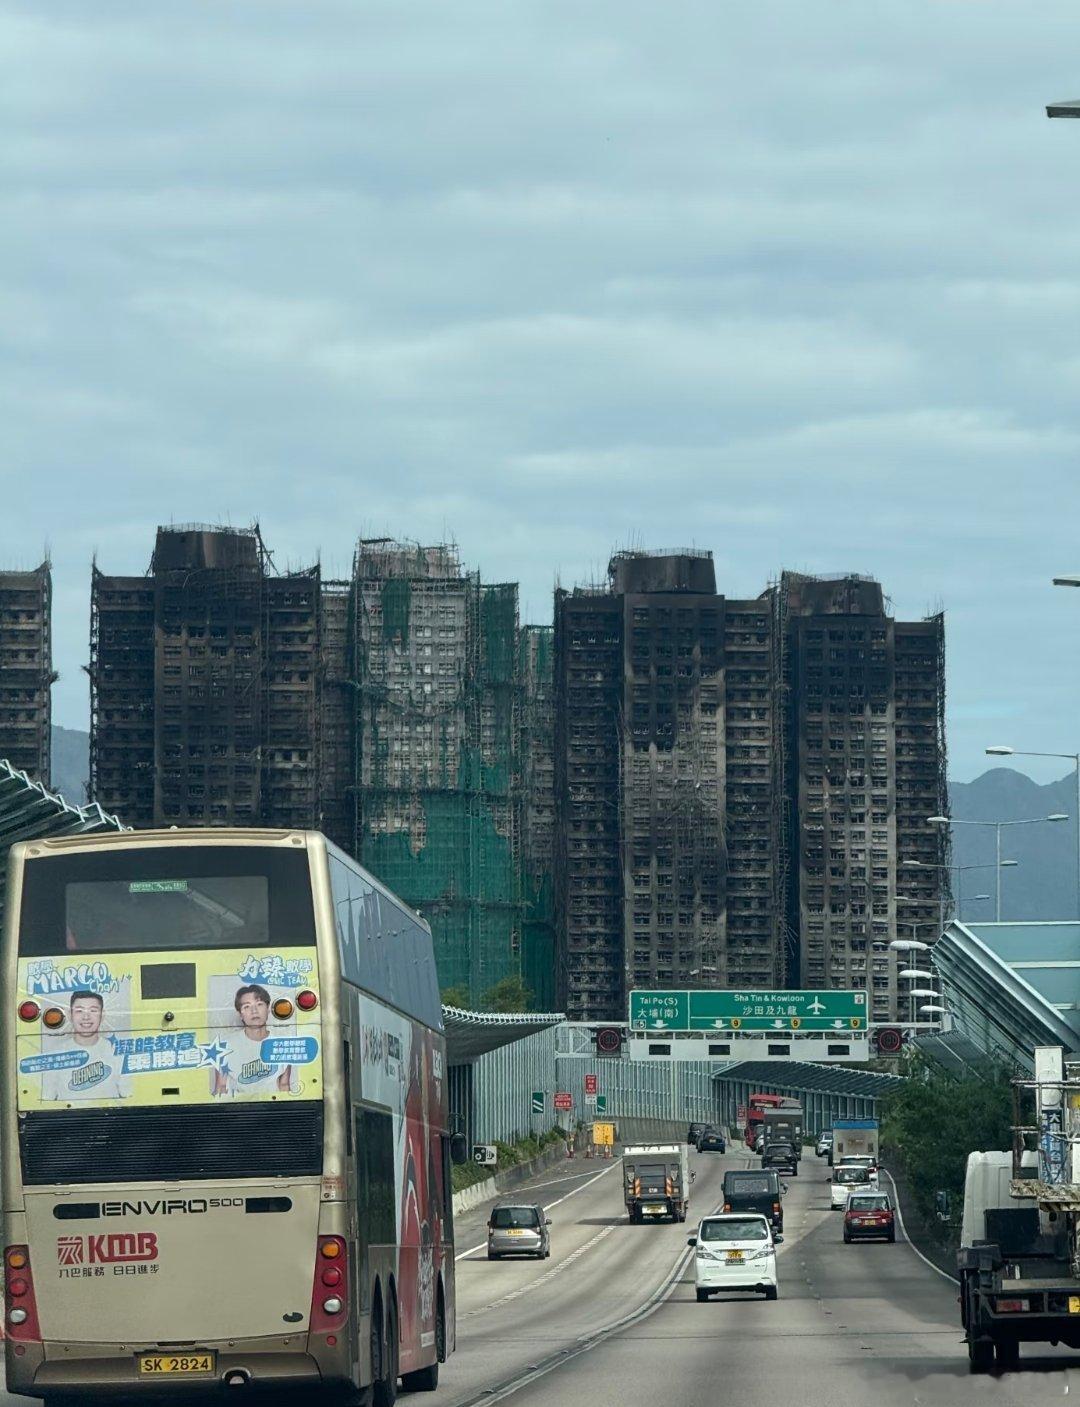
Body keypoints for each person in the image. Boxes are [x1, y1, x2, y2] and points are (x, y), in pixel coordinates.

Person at [41, 991, 128, 1101]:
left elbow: (128, 1094)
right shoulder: (56, 1055)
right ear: (70, 1015)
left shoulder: (117, 1051)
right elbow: (46, 1098)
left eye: (93, 1010)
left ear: (102, 1015)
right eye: (79, 1011)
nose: (86, 1017)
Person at [214, 983, 294, 1096]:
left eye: (259, 1004)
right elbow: (220, 1087)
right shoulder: (225, 1046)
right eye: (247, 1006)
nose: (254, 1011)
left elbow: (284, 1086)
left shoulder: (283, 1045)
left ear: (268, 1008)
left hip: (272, 1104)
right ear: (240, 1014)